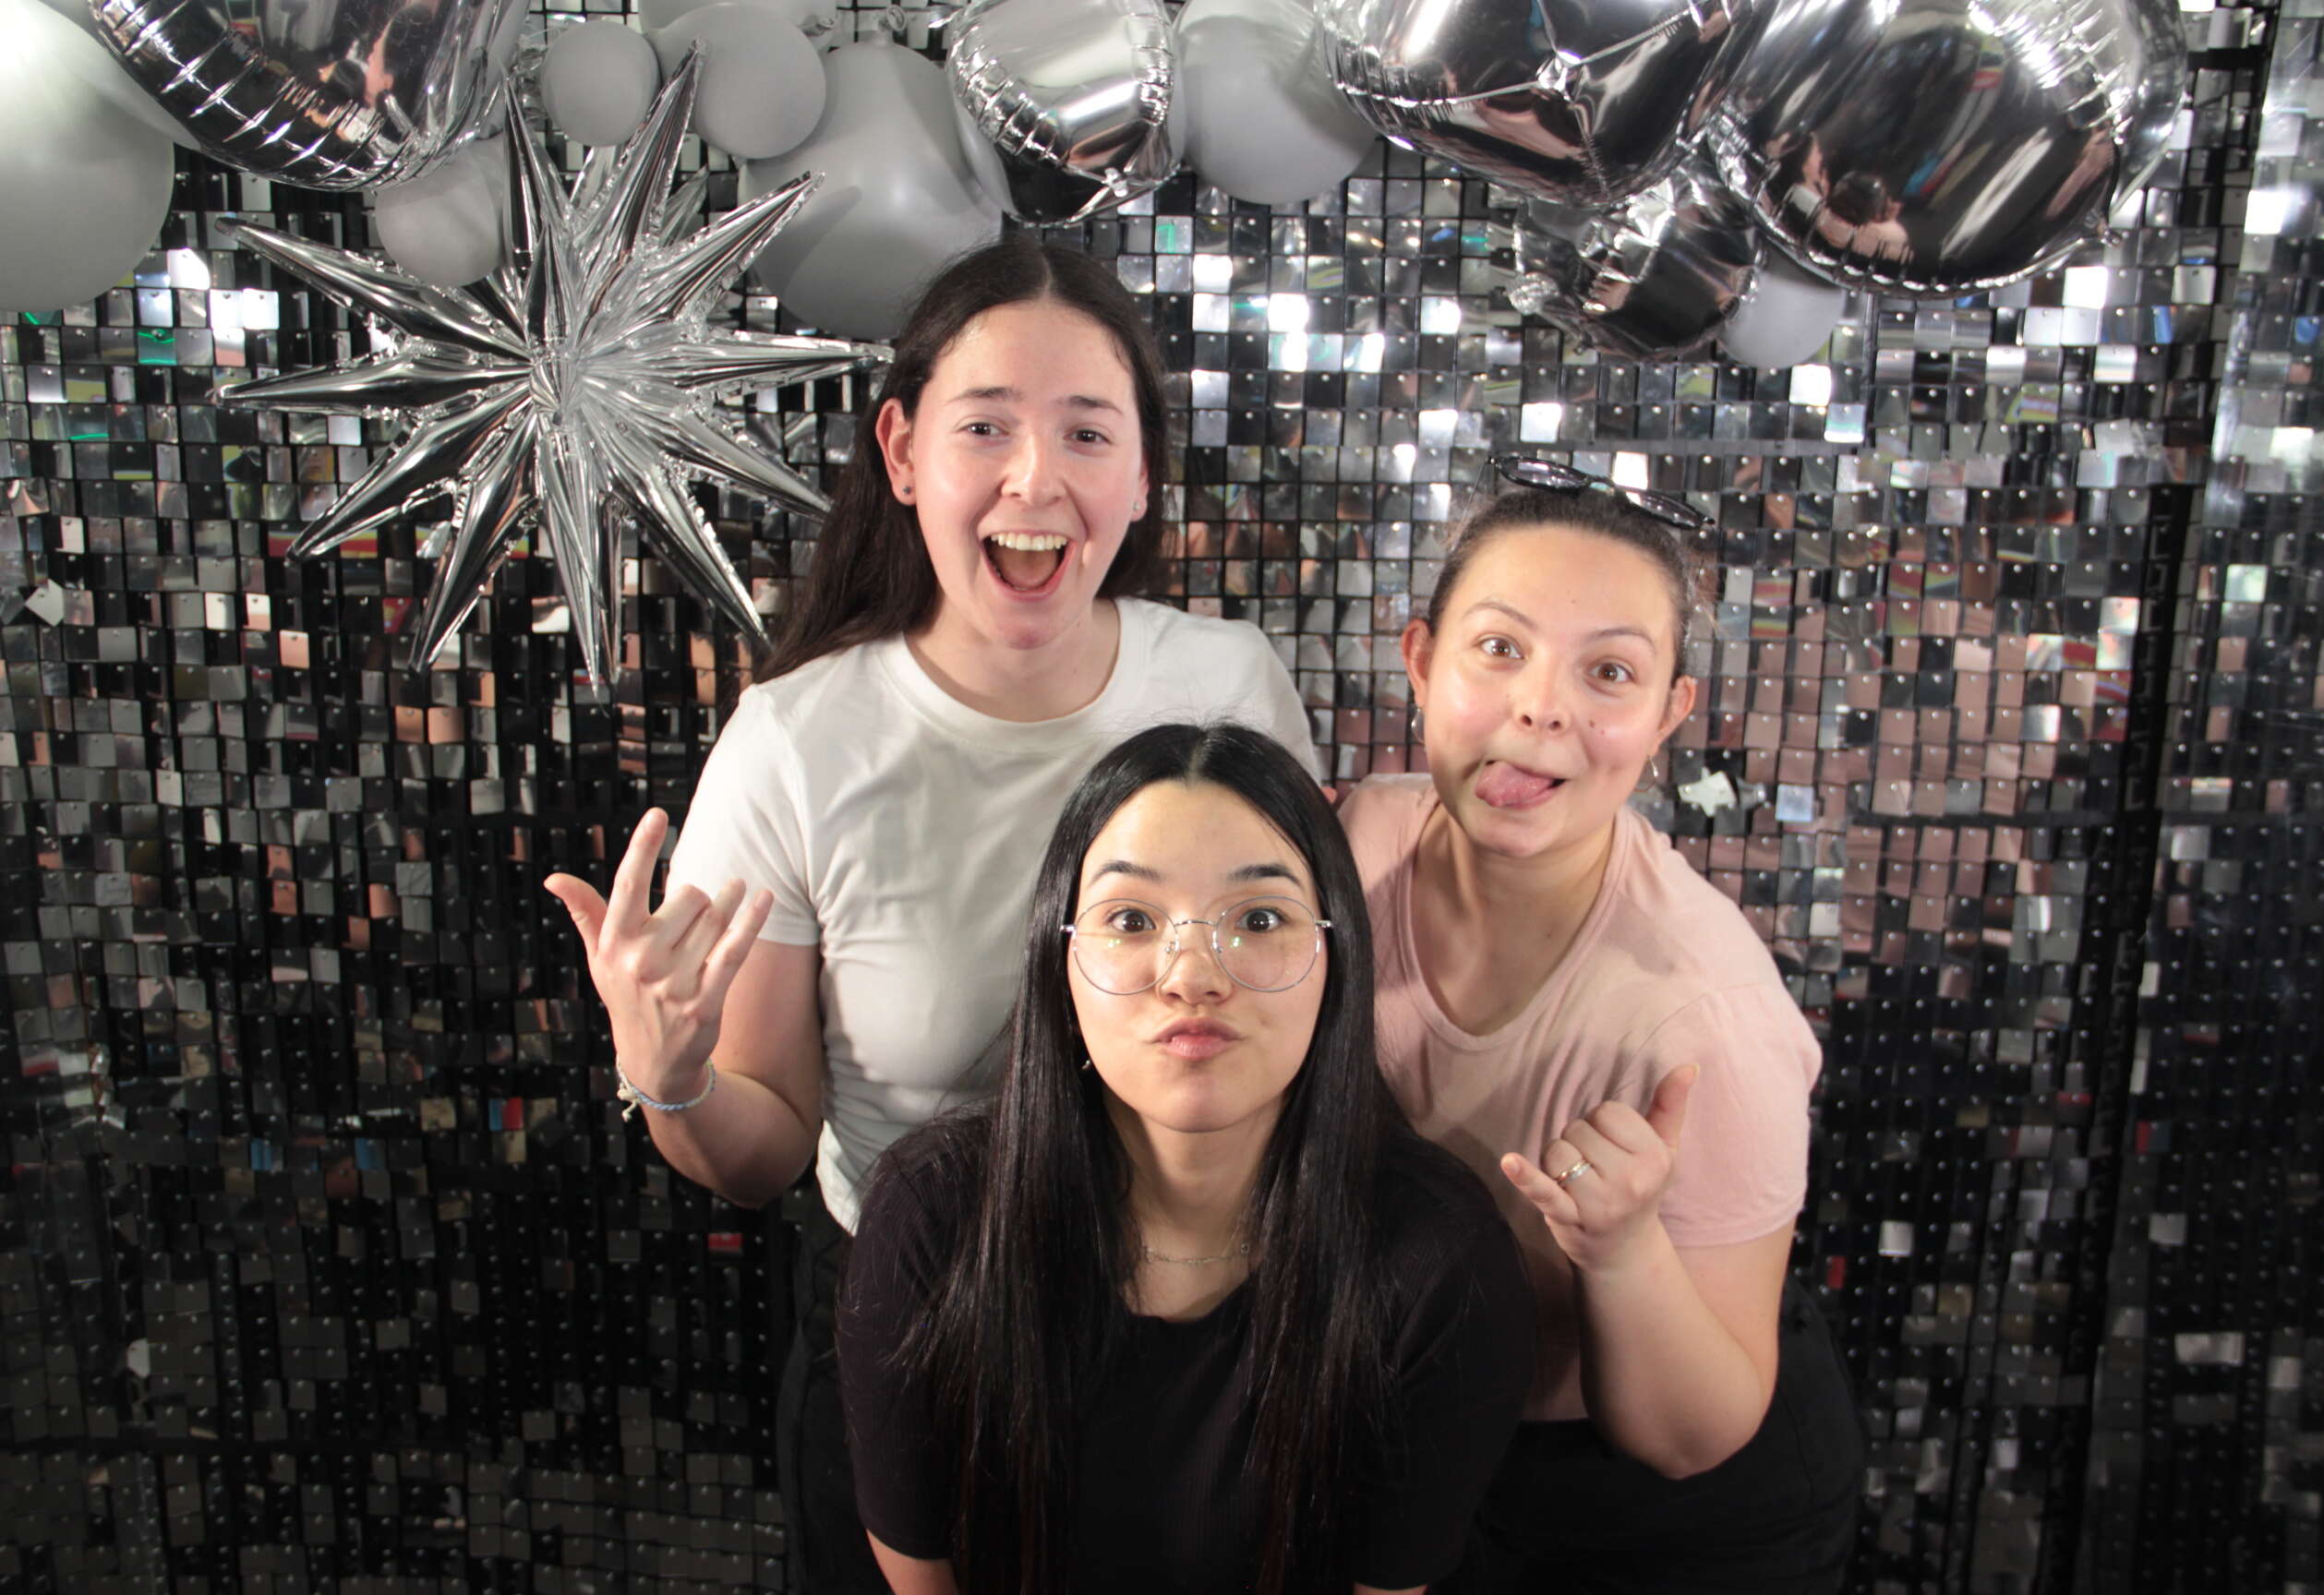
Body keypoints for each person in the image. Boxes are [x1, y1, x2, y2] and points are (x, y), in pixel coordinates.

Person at [542, 236, 1317, 1591]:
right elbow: (760, 1154)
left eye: (1089, 432)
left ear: (1141, 474)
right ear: (902, 453)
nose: (1036, 480)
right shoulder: (798, 741)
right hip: (918, 1344)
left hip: (1209, 1345)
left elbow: (1303, 999)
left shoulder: (1229, 685)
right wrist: (672, 1079)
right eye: (985, 428)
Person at [838, 722, 1536, 1595]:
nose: (1192, 976)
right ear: (1060, 958)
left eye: (1260, 919)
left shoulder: (1438, 1264)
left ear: (1338, 957)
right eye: (1131, 919)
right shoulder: (932, 1218)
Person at [1337, 459, 1864, 1593]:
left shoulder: (1708, 1016)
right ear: (1421, 661)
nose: (1543, 708)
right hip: (1426, 1439)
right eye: (1499, 648)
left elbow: (1692, 1436)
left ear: (1670, 713)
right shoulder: (1352, 847)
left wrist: (1622, 1248)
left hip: (1660, 1509)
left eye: (1610, 671)